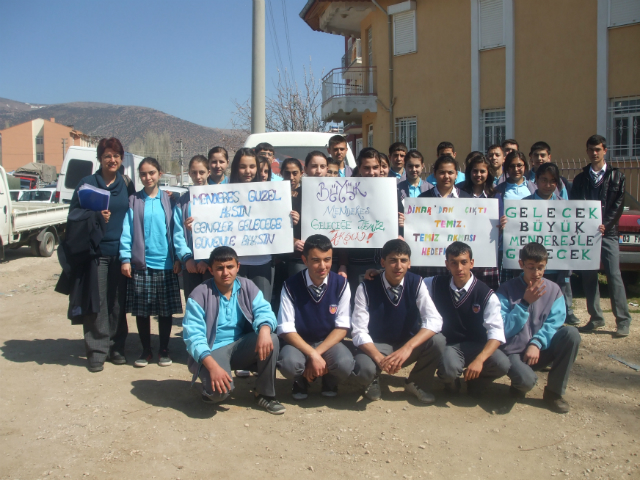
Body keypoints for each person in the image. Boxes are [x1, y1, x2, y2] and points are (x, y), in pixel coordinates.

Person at [182, 246, 285, 414]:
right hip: (213, 350)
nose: (225, 272)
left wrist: (265, 329)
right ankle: (209, 388)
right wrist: (213, 367)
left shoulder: (247, 286)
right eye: (219, 268)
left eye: (230, 267)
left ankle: (265, 394)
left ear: (238, 267)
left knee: (271, 337)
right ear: (211, 270)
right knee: (219, 394)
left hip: (241, 345)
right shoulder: (199, 294)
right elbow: (193, 336)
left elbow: (264, 310)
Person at [69, 137, 135, 372]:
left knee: (117, 302)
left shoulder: (126, 185)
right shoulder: (87, 183)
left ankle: (116, 347)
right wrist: (95, 217)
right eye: (107, 155)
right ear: (99, 159)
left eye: (117, 155)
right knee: (96, 302)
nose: (112, 159)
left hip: (120, 252)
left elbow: (136, 208)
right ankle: (97, 350)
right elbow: (73, 215)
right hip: (95, 252)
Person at [351, 239, 445, 403]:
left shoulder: (416, 283)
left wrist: (408, 347)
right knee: (364, 368)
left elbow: (435, 320)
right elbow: (358, 331)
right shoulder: (366, 287)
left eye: (403, 260)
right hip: (377, 344)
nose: (398, 266)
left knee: (438, 340)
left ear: (409, 263)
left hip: (405, 343)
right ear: (383, 262)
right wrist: (379, 358)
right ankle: (371, 380)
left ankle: (416, 382)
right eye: (393, 260)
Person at [497, 242, 581, 413]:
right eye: (531, 267)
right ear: (521, 265)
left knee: (571, 334)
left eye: (540, 267)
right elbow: (503, 328)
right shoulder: (506, 290)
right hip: (514, 352)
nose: (536, 273)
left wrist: (537, 342)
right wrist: (524, 303)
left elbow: (555, 323)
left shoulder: (554, 290)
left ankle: (554, 393)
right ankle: (519, 384)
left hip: (539, 350)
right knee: (526, 381)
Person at [423, 242, 510, 396]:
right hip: (451, 346)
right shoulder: (435, 284)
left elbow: (496, 333)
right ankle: (450, 382)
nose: (459, 268)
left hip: (478, 345)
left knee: (502, 364)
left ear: (472, 263)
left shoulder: (486, 294)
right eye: (454, 263)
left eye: (464, 262)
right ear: (447, 265)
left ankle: (476, 382)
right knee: (449, 370)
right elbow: (408, 283)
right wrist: (378, 273)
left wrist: (480, 360)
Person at [120, 157, 182, 368]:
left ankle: (163, 349)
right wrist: (125, 258)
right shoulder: (134, 201)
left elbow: (176, 231)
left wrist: (178, 258)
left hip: (166, 264)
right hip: (141, 264)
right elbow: (127, 231)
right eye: (144, 174)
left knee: (165, 311)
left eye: (152, 173)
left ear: (160, 173)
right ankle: (146, 350)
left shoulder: (169, 200)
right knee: (142, 310)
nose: (148, 177)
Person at [277, 234, 354, 399]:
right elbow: (286, 328)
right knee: (289, 364)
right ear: (304, 260)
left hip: (328, 342)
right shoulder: (290, 285)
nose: (323, 266)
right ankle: (299, 380)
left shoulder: (341, 284)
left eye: (327, 259)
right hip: (299, 342)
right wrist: (311, 354)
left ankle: (330, 378)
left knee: (345, 364)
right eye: (316, 260)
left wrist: (316, 353)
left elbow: (342, 327)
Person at [571, 135, 631, 337]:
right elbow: (575, 206)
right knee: (589, 276)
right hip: (586, 235)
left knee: (614, 275)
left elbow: (618, 205)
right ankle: (596, 317)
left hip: (609, 233)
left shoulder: (617, 176)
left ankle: (622, 320)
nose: (594, 153)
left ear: (605, 150)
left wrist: (606, 224)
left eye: (598, 149)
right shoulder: (580, 179)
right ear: (587, 151)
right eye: (591, 149)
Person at [520, 163, 579, 325]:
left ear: (558, 183)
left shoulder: (566, 206)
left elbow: (576, 231)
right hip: (533, 267)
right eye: (544, 180)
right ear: (536, 180)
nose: (548, 185)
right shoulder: (522, 205)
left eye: (552, 181)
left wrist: (595, 227)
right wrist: (506, 224)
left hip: (557, 267)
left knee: (553, 302)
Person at [342, 149, 405, 300]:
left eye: (375, 167)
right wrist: (343, 264)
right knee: (359, 305)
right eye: (366, 168)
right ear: (359, 168)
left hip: (386, 262)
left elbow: (400, 222)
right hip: (358, 264)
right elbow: (341, 228)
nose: (372, 172)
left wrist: (403, 225)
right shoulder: (346, 191)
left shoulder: (391, 191)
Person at [458, 154, 502, 290]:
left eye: (482, 171)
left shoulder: (495, 195)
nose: (478, 174)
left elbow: (499, 221)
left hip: (486, 252)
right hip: (463, 248)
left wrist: (503, 224)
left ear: (488, 173)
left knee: (485, 291)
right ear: (469, 172)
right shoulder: (459, 192)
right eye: (475, 171)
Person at [173, 155, 211, 301]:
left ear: (208, 172)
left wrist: (207, 260)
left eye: (201, 172)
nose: (198, 176)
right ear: (189, 173)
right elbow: (177, 233)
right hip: (190, 265)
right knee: (193, 304)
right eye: (194, 172)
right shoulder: (182, 202)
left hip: (211, 265)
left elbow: (222, 231)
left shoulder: (219, 197)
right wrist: (187, 258)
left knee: (212, 305)